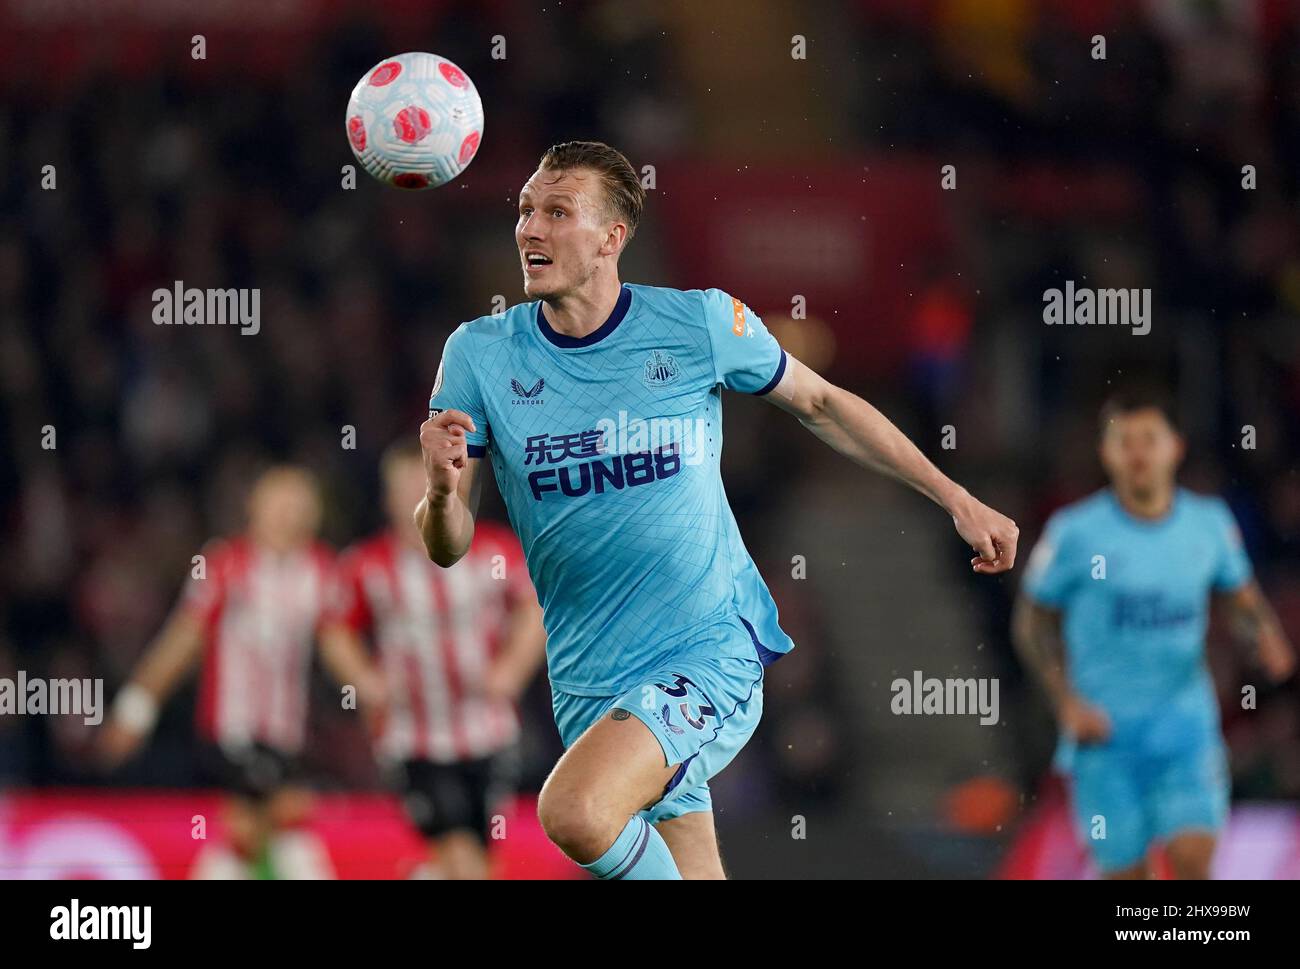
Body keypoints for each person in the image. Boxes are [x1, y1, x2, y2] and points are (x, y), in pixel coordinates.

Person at [416, 140, 1019, 879]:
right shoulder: (479, 354)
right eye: (525, 210)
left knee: (574, 811)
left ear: (613, 237)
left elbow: (824, 403)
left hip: (708, 651)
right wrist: (443, 491)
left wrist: (953, 496)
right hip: (589, 679)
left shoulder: (698, 326)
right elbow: (446, 546)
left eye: (557, 212)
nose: (530, 229)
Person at [1014, 390, 1296, 879]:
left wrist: (1264, 636)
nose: (1139, 453)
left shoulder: (1208, 525)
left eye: (1150, 439)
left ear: (1176, 448)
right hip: (1106, 738)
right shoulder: (1075, 533)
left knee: (1192, 860)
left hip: (1186, 732)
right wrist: (1065, 702)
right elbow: (1032, 625)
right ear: (1106, 453)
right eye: (1125, 442)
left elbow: (1242, 600)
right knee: (1129, 878)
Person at [320, 441, 545, 879]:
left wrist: (512, 669)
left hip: (488, 731)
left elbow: (532, 608)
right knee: (456, 849)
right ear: (387, 499)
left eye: (423, 484)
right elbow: (335, 627)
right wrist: (363, 680)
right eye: (403, 488)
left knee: (477, 855)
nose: (416, 496)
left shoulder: (493, 553)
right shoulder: (369, 565)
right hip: (412, 737)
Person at [100, 465, 335, 879]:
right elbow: (183, 641)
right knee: (272, 821)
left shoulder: (319, 571)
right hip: (232, 729)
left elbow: (339, 644)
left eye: (299, 505)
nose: (288, 514)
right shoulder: (226, 565)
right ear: (254, 507)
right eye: (279, 503)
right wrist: (135, 708)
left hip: (289, 734)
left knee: (257, 835)